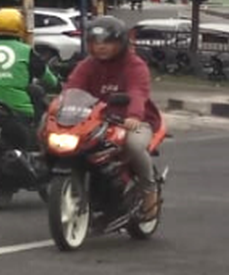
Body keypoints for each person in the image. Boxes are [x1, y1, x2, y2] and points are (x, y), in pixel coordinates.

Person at [62, 14, 162, 219]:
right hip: (95, 121)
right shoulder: (87, 65)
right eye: (95, 42)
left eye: (108, 42)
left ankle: (149, 190)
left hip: (135, 122)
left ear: (121, 42)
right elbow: (72, 88)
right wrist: (59, 108)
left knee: (133, 145)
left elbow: (137, 92)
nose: (101, 47)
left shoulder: (135, 65)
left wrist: (133, 115)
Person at [0, 7, 59, 133]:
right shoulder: (25, 51)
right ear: (19, 26)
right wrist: (57, 84)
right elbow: (44, 74)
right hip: (19, 109)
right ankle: (35, 140)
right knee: (40, 104)